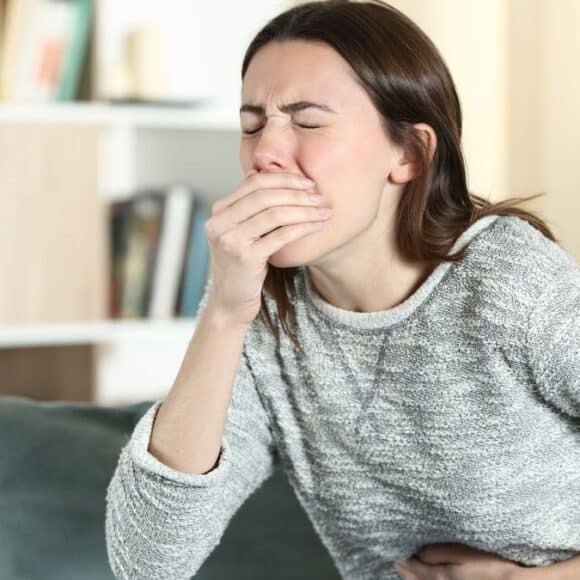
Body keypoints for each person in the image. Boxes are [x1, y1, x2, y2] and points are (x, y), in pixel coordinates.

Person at [105, 1, 580, 579]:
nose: (264, 153)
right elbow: (147, 563)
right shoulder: (258, 315)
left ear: (409, 153)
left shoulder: (509, 279)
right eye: (252, 124)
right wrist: (225, 315)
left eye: (307, 122)